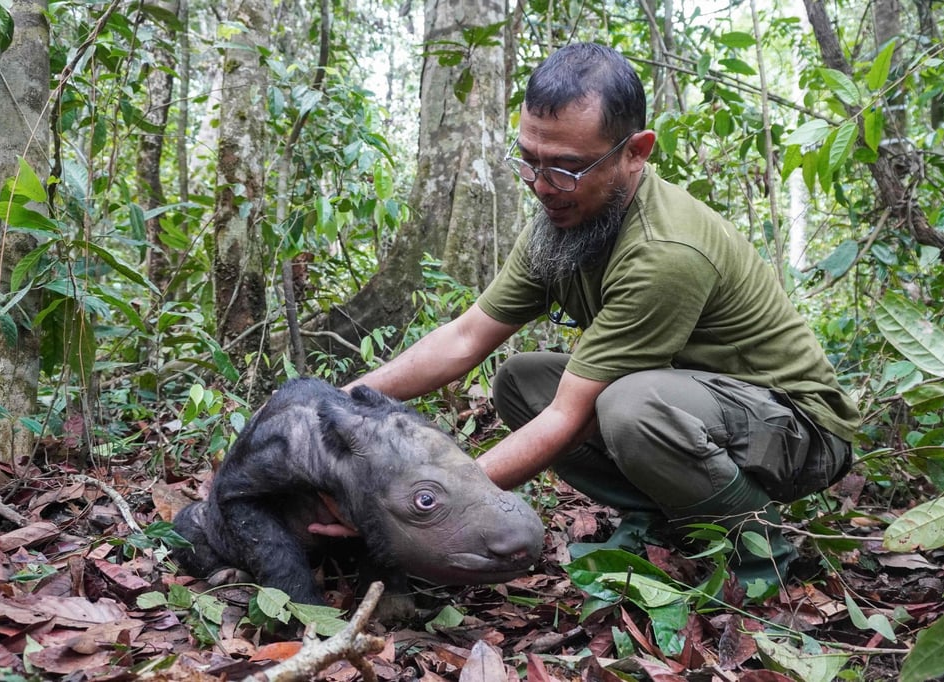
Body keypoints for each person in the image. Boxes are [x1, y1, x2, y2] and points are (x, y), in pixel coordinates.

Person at [336, 42, 860, 586]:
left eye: (565, 168)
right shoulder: (564, 219)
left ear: (636, 151)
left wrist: (420, 507)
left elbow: (571, 416)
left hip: (800, 431)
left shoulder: (665, 251)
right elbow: (465, 339)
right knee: (521, 381)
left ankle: (758, 550)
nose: (541, 186)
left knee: (629, 407)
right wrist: (336, 407)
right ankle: (661, 519)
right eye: (529, 162)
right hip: (694, 403)